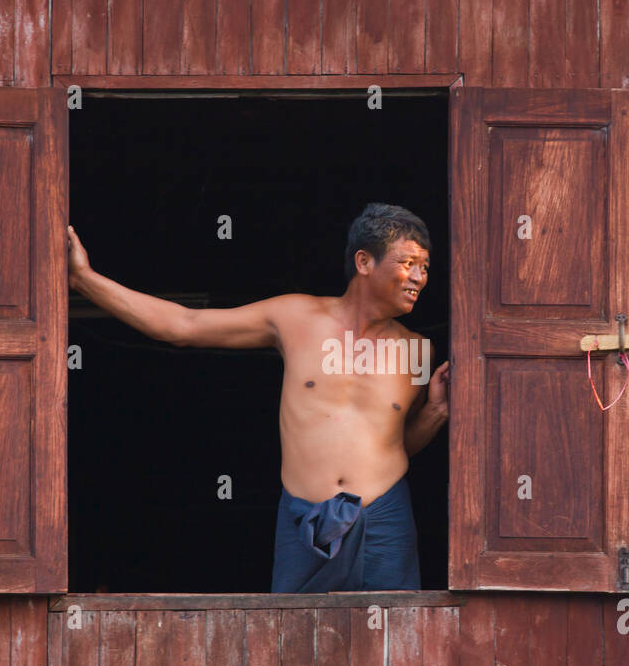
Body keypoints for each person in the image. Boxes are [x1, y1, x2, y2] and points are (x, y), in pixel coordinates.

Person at [67, 203, 449, 592]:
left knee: (396, 641)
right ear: (365, 262)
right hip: (305, 517)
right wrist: (84, 279)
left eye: (425, 268)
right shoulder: (295, 317)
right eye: (408, 263)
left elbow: (398, 445)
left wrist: (434, 411)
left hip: (383, 519)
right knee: (296, 641)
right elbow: (184, 325)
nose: (419, 277)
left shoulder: (418, 351)